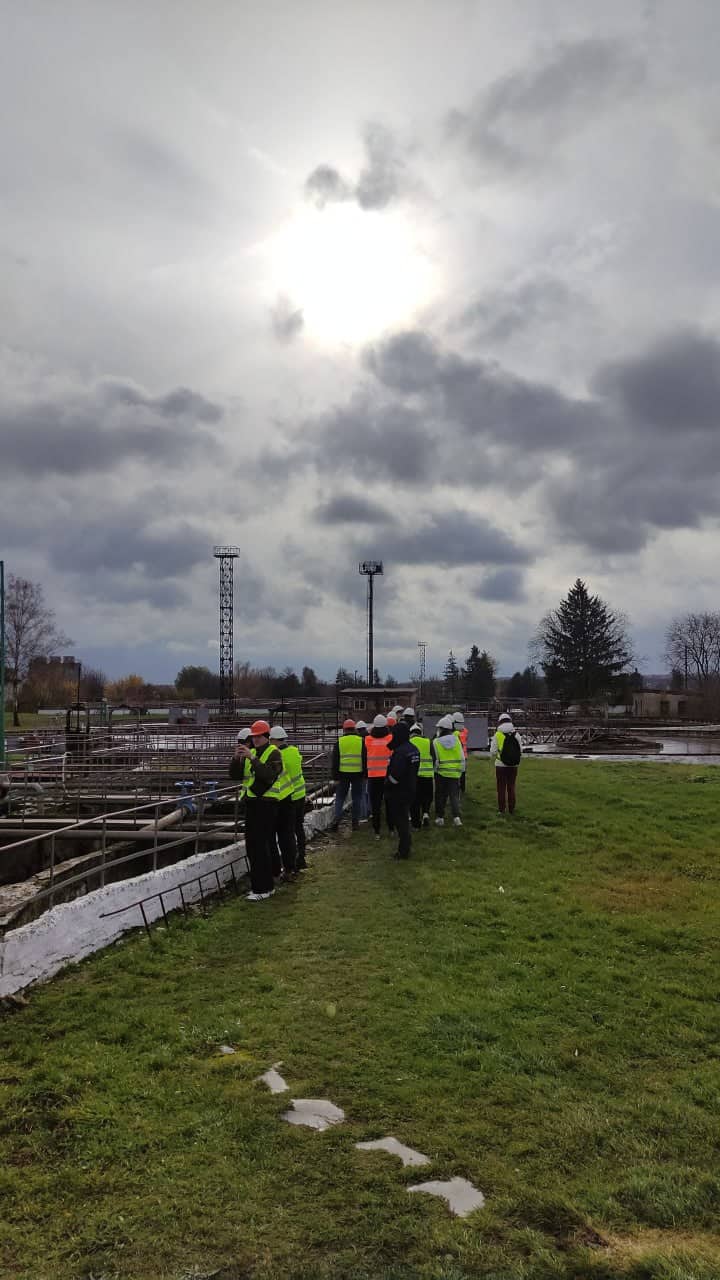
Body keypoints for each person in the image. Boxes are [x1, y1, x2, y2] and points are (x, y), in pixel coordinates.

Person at [230, 719, 282, 901]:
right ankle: (258, 886)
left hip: (266, 804)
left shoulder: (274, 753)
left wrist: (253, 759)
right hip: (252, 804)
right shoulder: (251, 752)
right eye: (254, 737)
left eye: (259, 736)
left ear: (267, 736)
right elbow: (235, 776)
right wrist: (237, 759)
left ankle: (265, 887)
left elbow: (269, 775)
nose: (256, 740)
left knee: (261, 847)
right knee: (252, 847)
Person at [385, 721, 420, 859]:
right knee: (404, 819)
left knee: (401, 822)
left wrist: (387, 783)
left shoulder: (400, 752)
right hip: (410, 788)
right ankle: (406, 847)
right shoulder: (414, 749)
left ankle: (403, 851)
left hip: (398, 792)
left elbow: (395, 775)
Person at [268, 725, 299, 876]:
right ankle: (290, 868)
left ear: (273, 739)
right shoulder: (293, 751)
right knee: (287, 835)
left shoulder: (274, 754)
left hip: (274, 799)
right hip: (290, 796)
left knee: (273, 836)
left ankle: (276, 870)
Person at [330, 719, 365, 831]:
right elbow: (365, 759)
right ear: (354, 728)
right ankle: (355, 822)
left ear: (344, 729)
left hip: (343, 774)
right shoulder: (361, 741)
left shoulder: (339, 742)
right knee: (357, 798)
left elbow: (335, 761)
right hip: (358, 773)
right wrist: (365, 774)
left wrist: (335, 777)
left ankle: (337, 819)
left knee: (340, 797)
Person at [433, 715, 464, 827]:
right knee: (454, 796)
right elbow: (461, 757)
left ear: (441, 729)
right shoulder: (456, 740)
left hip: (441, 773)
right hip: (455, 773)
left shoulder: (436, 742)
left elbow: (436, 759)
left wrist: (436, 771)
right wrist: (461, 771)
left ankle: (440, 818)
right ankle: (456, 818)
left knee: (440, 796)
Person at [365, 713, 393, 840]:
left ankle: (377, 832)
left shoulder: (367, 740)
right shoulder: (391, 739)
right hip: (387, 777)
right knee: (389, 804)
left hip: (373, 777)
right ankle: (391, 829)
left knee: (375, 805)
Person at [490, 712, 523, 814]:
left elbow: (493, 752)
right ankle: (512, 809)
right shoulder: (516, 734)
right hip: (513, 765)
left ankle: (501, 810)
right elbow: (520, 750)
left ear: (500, 722)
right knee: (511, 787)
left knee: (501, 788)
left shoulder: (498, 734)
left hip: (500, 765)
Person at [409, 724, 434, 828]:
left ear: (411, 733)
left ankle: (416, 824)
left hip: (414, 776)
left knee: (415, 800)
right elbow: (434, 757)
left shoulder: (409, 742)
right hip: (427, 775)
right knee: (427, 797)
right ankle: (426, 814)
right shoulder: (428, 742)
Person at [355, 720, 370, 820]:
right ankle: (370, 811)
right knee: (369, 792)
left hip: (361, 770)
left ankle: (363, 815)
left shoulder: (359, 740)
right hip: (371, 769)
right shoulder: (370, 738)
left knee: (362, 793)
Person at [453, 712, 469, 792]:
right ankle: (463, 789)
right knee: (463, 773)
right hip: (464, 755)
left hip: (456, 755)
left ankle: (456, 789)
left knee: (456, 773)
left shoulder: (454, 732)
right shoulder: (465, 731)